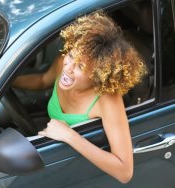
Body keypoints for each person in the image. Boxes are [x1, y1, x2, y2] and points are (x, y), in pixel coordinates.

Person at [12, 11, 147, 183]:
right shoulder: (63, 63)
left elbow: (125, 171)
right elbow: (41, 80)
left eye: (81, 66)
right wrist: (8, 81)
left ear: (98, 75)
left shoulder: (107, 99)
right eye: (71, 55)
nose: (69, 67)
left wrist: (69, 136)